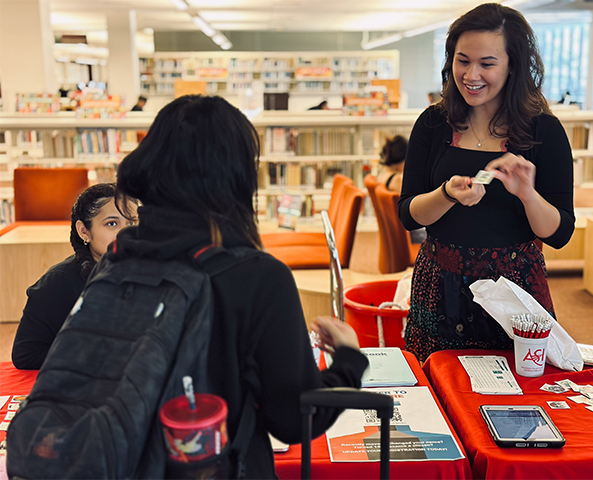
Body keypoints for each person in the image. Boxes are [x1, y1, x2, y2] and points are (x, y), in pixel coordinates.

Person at [112, 94, 368, 478]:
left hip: (122, 459)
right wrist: (348, 360)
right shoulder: (258, 278)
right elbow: (295, 418)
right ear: (236, 174)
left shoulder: (117, 258)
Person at [398, 3, 575, 363]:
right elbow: (409, 214)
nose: (471, 74)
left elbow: (559, 233)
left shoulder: (544, 131)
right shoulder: (433, 123)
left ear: (513, 66)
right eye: (463, 61)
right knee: (437, 391)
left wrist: (528, 194)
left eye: (487, 63)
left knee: (517, 399)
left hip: (514, 292)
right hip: (439, 286)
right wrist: (446, 193)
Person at [11, 183, 137, 370]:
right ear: (84, 231)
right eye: (112, 223)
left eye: (132, 223)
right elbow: (27, 354)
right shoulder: (57, 284)